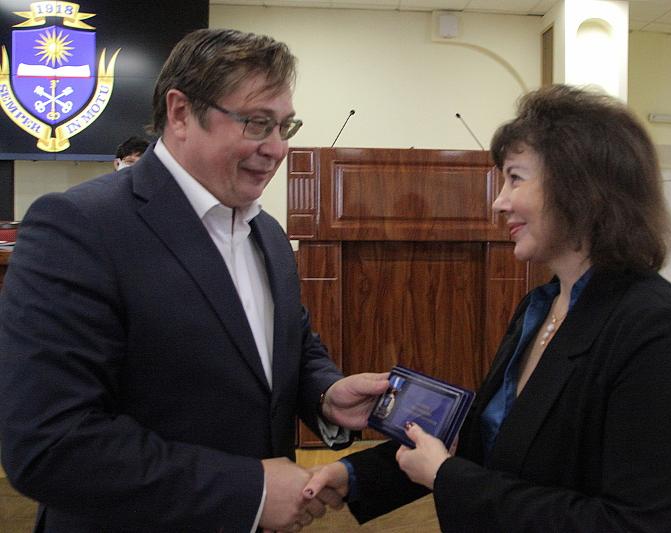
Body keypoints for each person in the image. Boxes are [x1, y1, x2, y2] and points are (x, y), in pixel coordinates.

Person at [0, 28, 388, 533]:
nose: (277, 148)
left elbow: (287, 342)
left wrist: (326, 393)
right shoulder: (80, 226)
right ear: (181, 113)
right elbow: (49, 443)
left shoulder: (268, 233)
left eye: (285, 126)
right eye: (256, 123)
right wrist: (250, 491)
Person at [303, 84, 671, 532]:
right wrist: (354, 475)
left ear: (581, 187)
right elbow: (490, 437)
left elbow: (647, 524)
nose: (499, 202)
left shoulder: (659, 327)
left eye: (515, 178)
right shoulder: (539, 306)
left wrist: (447, 478)